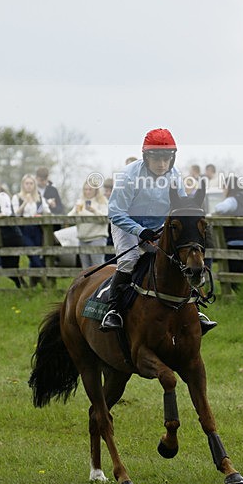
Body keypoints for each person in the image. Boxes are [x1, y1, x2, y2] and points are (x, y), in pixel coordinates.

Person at [101, 128, 216, 334]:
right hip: (126, 224)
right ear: (145, 157)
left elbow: (180, 206)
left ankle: (194, 307)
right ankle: (113, 311)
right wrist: (139, 230)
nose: (162, 164)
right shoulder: (128, 176)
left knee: (180, 259)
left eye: (166, 159)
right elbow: (115, 213)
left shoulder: (174, 175)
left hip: (158, 226)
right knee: (130, 260)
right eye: (157, 159)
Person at [214, 175, 243, 289]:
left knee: (232, 277)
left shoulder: (232, 200)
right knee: (240, 273)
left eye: (224, 187)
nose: (223, 189)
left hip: (235, 240)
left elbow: (219, 208)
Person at [12, 174, 50, 285]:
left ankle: (33, 283)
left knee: (38, 253)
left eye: (31, 183)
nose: (29, 186)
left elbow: (46, 211)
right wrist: (24, 203)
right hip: (23, 229)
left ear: (34, 185)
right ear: (23, 185)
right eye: (26, 183)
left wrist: (41, 214)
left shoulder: (39, 198)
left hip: (37, 228)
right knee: (32, 252)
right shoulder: (17, 197)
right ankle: (45, 279)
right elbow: (15, 214)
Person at [68, 178, 108, 269]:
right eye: (85, 189)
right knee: (85, 268)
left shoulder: (102, 201)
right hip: (82, 238)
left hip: (97, 237)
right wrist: (76, 211)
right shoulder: (80, 202)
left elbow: (106, 217)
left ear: (96, 190)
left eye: (90, 189)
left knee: (98, 267)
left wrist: (94, 211)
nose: (88, 192)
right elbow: (69, 216)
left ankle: (101, 283)